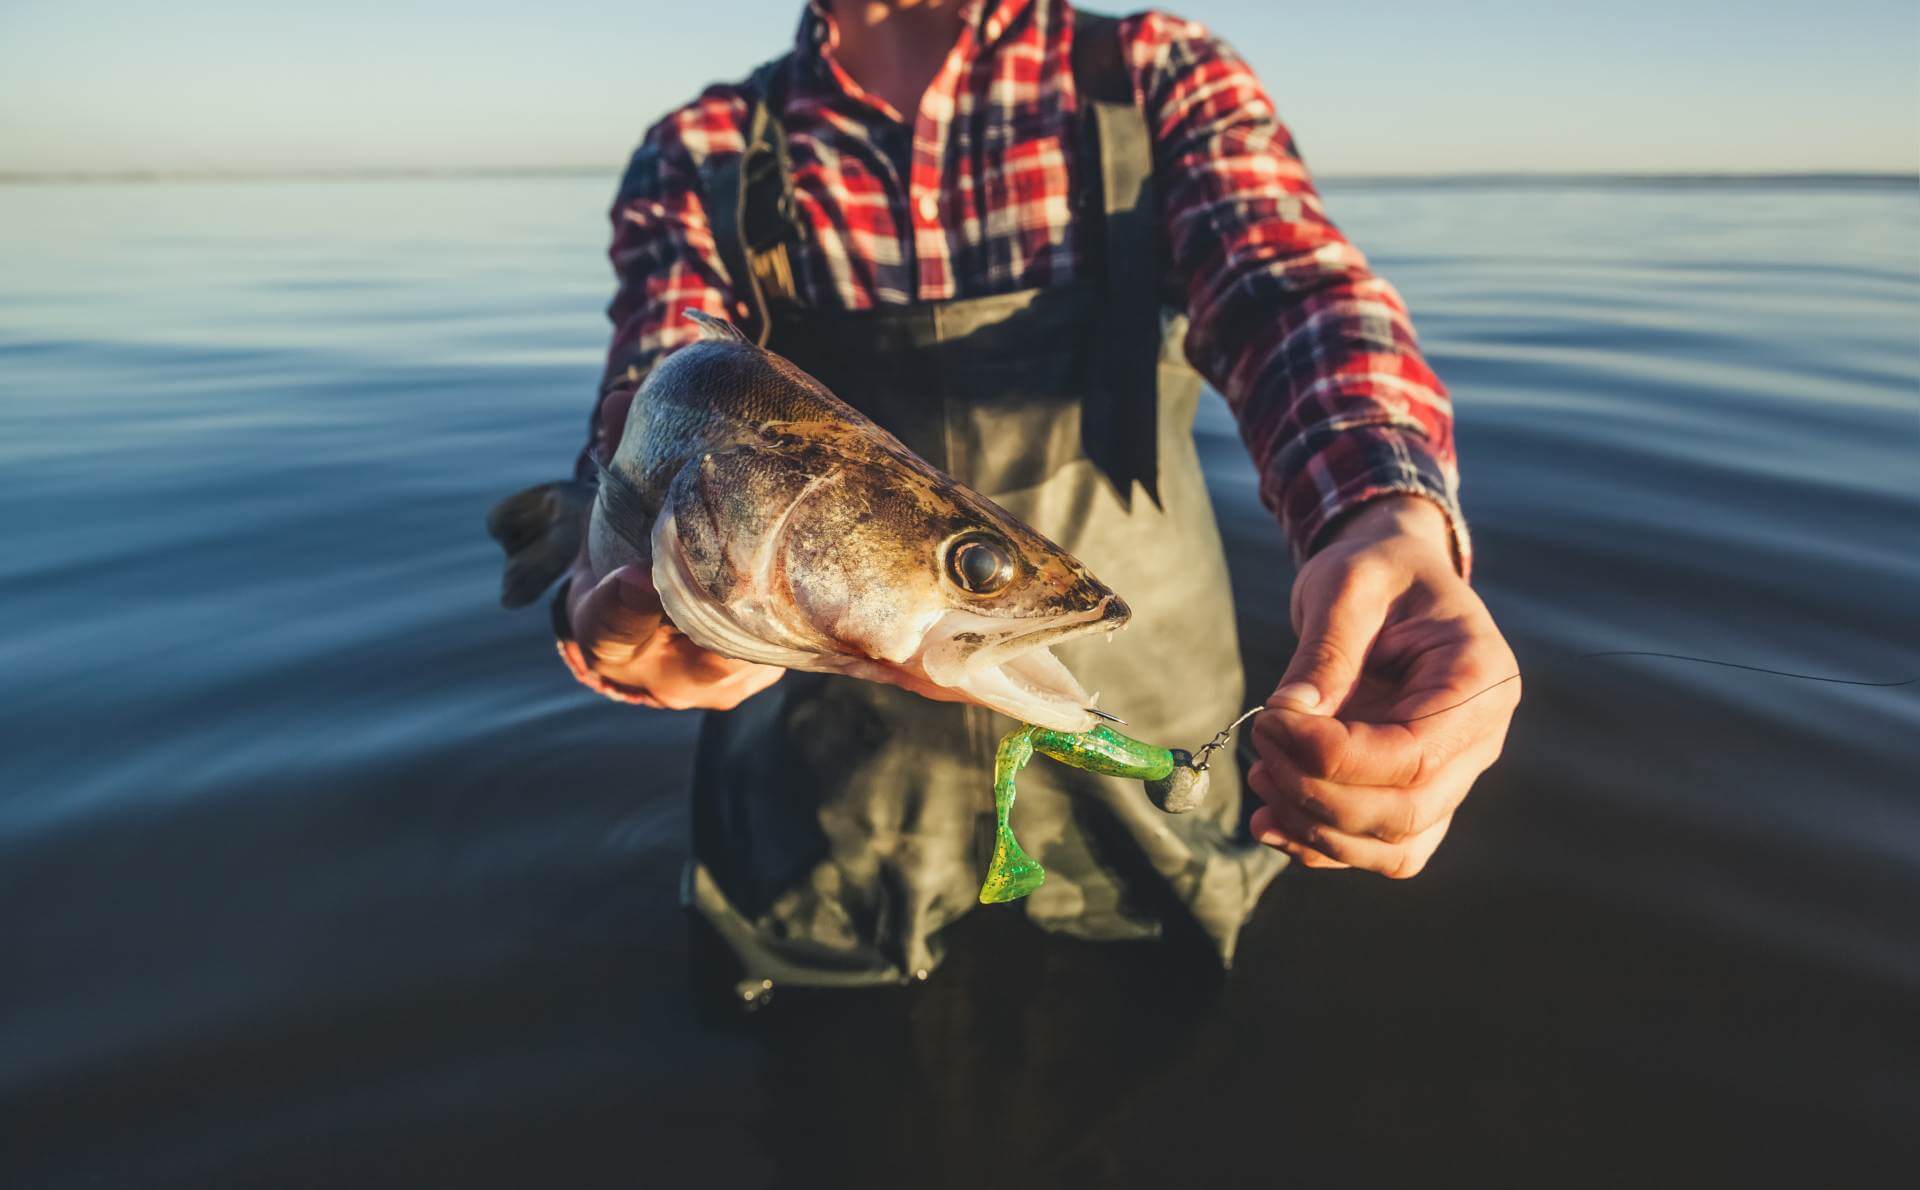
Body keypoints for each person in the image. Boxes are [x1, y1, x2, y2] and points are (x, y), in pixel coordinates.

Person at [531, 0, 1516, 1023]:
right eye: (977, 567)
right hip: (825, 807)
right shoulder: (701, 149)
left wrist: (1382, 516)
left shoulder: (1152, 72)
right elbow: (652, 395)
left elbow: (1292, 295)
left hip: (1144, 792)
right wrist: (632, 622)